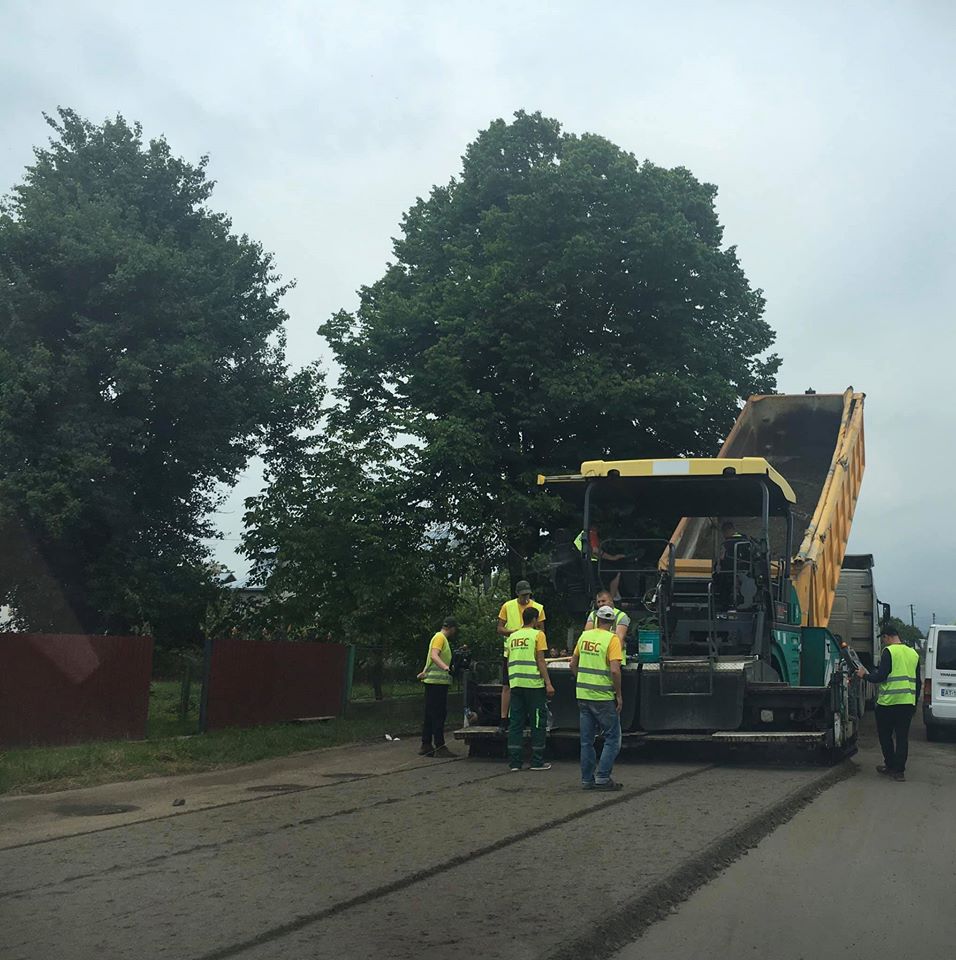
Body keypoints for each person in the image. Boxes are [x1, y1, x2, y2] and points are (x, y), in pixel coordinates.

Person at [856, 624, 921, 781]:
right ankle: (899, 772)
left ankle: (890, 765)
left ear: (887, 637)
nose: (883, 642)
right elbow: (918, 682)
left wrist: (864, 675)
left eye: (883, 639)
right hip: (907, 703)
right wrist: (914, 702)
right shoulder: (913, 653)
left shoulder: (889, 652)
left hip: (888, 703)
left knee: (885, 736)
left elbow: (880, 677)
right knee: (902, 737)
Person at [570, 605, 624, 790]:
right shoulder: (612, 639)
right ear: (612, 622)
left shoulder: (584, 636)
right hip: (602, 696)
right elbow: (615, 670)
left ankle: (587, 780)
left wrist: (582, 680)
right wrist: (619, 695)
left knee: (586, 740)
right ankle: (602, 777)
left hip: (583, 695)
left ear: (597, 619)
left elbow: (573, 664)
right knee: (612, 737)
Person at [504, 607, 555, 771]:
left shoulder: (512, 637)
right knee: (538, 722)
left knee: (516, 723)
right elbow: (540, 661)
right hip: (533, 685)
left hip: (516, 684)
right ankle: (537, 761)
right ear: (534, 620)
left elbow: (509, 660)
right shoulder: (538, 635)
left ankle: (515, 762)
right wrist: (548, 683)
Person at [496, 580, 546, 733]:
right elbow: (499, 628)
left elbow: (541, 630)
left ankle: (529, 718)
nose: (526, 598)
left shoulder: (538, 607)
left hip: (531, 654)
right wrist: (516, 632)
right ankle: (504, 719)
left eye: (528, 594)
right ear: (517, 593)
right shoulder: (507, 606)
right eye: (523, 595)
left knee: (531, 686)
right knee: (507, 686)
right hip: (511, 653)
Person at [416, 616, 458, 758]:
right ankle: (440, 746)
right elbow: (434, 656)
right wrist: (446, 667)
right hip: (437, 684)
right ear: (452, 628)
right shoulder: (440, 638)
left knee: (430, 714)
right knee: (439, 714)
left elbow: (430, 658)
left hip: (432, 682)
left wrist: (424, 671)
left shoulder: (438, 637)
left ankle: (426, 744)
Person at [574, 525, 626, 597]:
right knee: (615, 572)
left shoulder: (581, 534)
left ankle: (618, 598)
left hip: (581, 565)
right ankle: (611, 600)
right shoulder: (591, 533)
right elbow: (595, 550)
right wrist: (612, 557)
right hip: (590, 564)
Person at [584, 588, 631, 664]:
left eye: (603, 601)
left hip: (614, 659)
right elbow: (587, 637)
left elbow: (619, 640)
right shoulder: (593, 615)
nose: (600, 604)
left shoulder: (621, 616)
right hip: (595, 657)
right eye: (598, 602)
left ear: (611, 600)